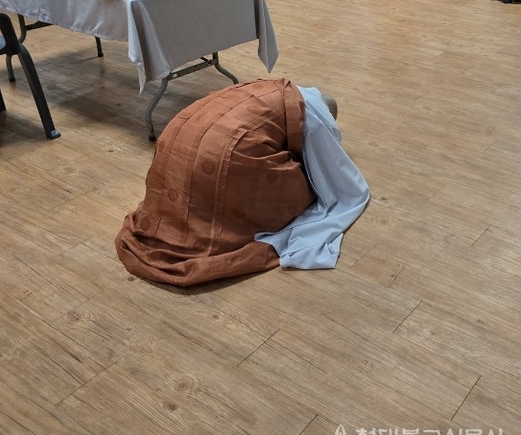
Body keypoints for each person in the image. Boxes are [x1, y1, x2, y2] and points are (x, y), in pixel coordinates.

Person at [116, 79, 369, 286]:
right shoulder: (315, 120)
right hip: (221, 155)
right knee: (302, 188)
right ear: (326, 114)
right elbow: (335, 179)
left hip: (175, 139)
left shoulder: (267, 88)